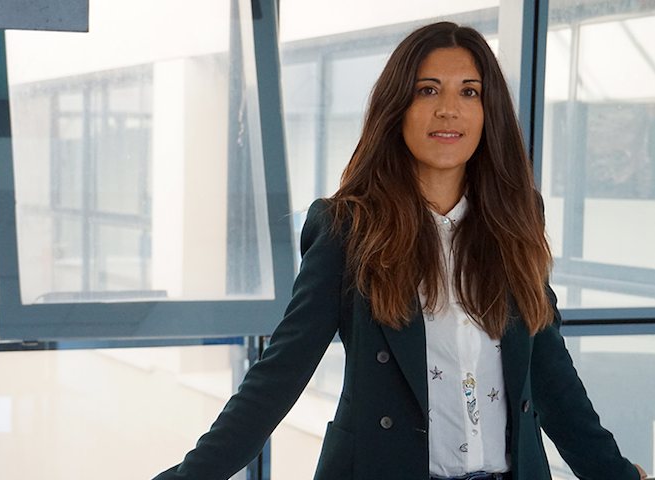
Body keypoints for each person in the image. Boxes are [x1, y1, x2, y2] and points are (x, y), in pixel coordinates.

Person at [154, 22, 649, 480]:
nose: (448, 109)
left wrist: (616, 475)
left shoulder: (516, 219)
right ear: (398, 108)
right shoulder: (348, 228)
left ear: (488, 112)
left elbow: (551, 375)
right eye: (427, 90)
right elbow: (279, 376)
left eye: (469, 92)